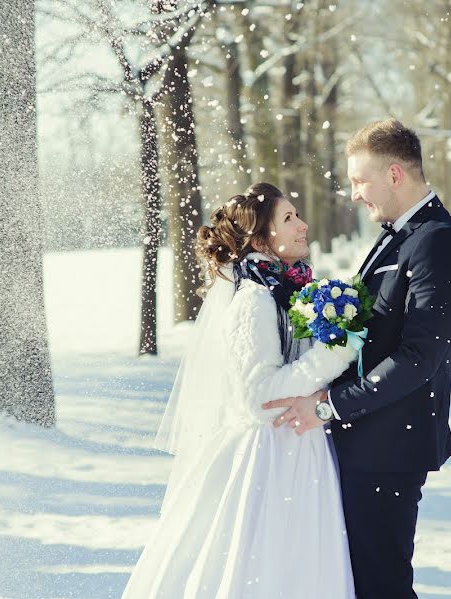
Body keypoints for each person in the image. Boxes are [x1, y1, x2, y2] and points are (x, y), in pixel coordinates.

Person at [266, 119, 451, 598]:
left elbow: (418, 357)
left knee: (381, 585)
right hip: (365, 443)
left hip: (389, 449)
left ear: (396, 174)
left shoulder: (438, 242)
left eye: (361, 181)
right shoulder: (397, 237)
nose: (355, 194)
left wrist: (329, 405)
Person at [121, 182, 357, 599]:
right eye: (289, 219)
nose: (302, 226)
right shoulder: (255, 300)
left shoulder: (287, 291)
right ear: (262, 240)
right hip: (267, 461)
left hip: (302, 452)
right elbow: (259, 396)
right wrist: (335, 353)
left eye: (297, 215)